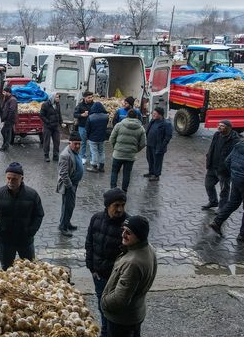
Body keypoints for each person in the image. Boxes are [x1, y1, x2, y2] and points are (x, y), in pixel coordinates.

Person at [101, 215, 157, 337]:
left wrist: (104, 302)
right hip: (136, 312)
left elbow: (119, 300)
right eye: (123, 230)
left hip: (122, 320)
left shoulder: (133, 263)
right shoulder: (149, 248)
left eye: (129, 232)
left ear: (139, 235)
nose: (123, 235)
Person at [85, 188, 130, 336]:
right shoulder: (96, 219)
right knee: (102, 308)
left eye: (122, 205)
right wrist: (92, 267)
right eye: (116, 205)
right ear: (107, 205)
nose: (120, 209)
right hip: (99, 276)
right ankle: (105, 331)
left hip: (116, 280)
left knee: (115, 315)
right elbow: (89, 243)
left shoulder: (128, 226)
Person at [0, 162, 45, 270]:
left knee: (30, 269)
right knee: (6, 269)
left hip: (25, 241)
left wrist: (31, 231)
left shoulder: (32, 195)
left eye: (14, 179)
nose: (10, 181)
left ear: (22, 178)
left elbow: (39, 214)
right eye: (8, 178)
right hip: (5, 241)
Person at [202, 120, 240, 211]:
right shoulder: (217, 135)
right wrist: (208, 158)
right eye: (218, 125)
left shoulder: (234, 139)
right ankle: (213, 201)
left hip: (224, 170)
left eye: (222, 126)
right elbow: (212, 147)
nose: (219, 127)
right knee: (208, 185)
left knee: (224, 190)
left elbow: (235, 156)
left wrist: (228, 166)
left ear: (228, 128)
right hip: (212, 167)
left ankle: (222, 207)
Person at [109, 109, 146, 192]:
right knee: (127, 173)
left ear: (127, 115)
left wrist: (115, 147)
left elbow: (111, 139)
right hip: (130, 155)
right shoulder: (141, 128)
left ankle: (113, 189)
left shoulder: (119, 125)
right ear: (137, 117)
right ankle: (124, 190)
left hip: (118, 154)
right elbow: (143, 143)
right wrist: (135, 150)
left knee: (114, 172)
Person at [57, 131, 84, 237]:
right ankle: (63, 227)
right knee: (68, 206)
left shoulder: (74, 151)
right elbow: (63, 173)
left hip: (74, 183)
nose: (77, 146)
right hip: (69, 185)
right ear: (70, 143)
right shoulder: (65, 155)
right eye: (75, 143)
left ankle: (66, 223)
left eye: (79, 143)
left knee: (70, 206)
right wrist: (70, 187)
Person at [145, 107, 173, 181]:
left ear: (160, 115)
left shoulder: (166, 124)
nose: (153, 115)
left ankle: (156, 175)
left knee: (157, 161)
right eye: (153, 113)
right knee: (150, 159)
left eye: (155, 114)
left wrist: (162, 145)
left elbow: (168, 136)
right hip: (150, 144)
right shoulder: (153, 121)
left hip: (158, 146)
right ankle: (151, 172)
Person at [85, 101, 109, 173]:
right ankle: (101, 167)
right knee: (101, 151)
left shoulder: (91, 117)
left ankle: (94, 166)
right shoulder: (106, 117)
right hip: (102, 137)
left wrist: (88, 137)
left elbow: (87, 128)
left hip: (93, 137)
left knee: (94, 152)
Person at [40, 93, 63, 162]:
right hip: (48, 127)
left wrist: (61, 122)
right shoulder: (45, 104)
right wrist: (48, 122)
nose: (58, 99)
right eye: (56, 97)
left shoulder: (57, 104)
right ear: (52, 97)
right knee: (47, 142)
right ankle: (46, 155)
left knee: (57, 141)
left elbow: (59, 114)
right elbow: (41, 115)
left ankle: (55, 156)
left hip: (55, 126)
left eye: (58, 97)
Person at [74, 91, 95, 164]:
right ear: (84, 97)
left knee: (92, 143)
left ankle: (93, 159)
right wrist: (81, 115)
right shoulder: (80, 105)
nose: (90, 99)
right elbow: (75, 114)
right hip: (82, 126)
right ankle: (82, 157)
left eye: (91, 97)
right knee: (83, 143)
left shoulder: (94, 105)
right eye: (89, 97)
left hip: (92, 127)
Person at [0, 86, 17, 152]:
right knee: (8, 132)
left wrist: (8, 119)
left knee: (3, 131)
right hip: (7, 119)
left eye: (4, 92)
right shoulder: (7, 99)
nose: (3, 93)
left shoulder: (13, 100)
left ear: (8, 92)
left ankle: (5, 145)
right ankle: (6, 145)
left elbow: (11, 110)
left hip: (10, 120)